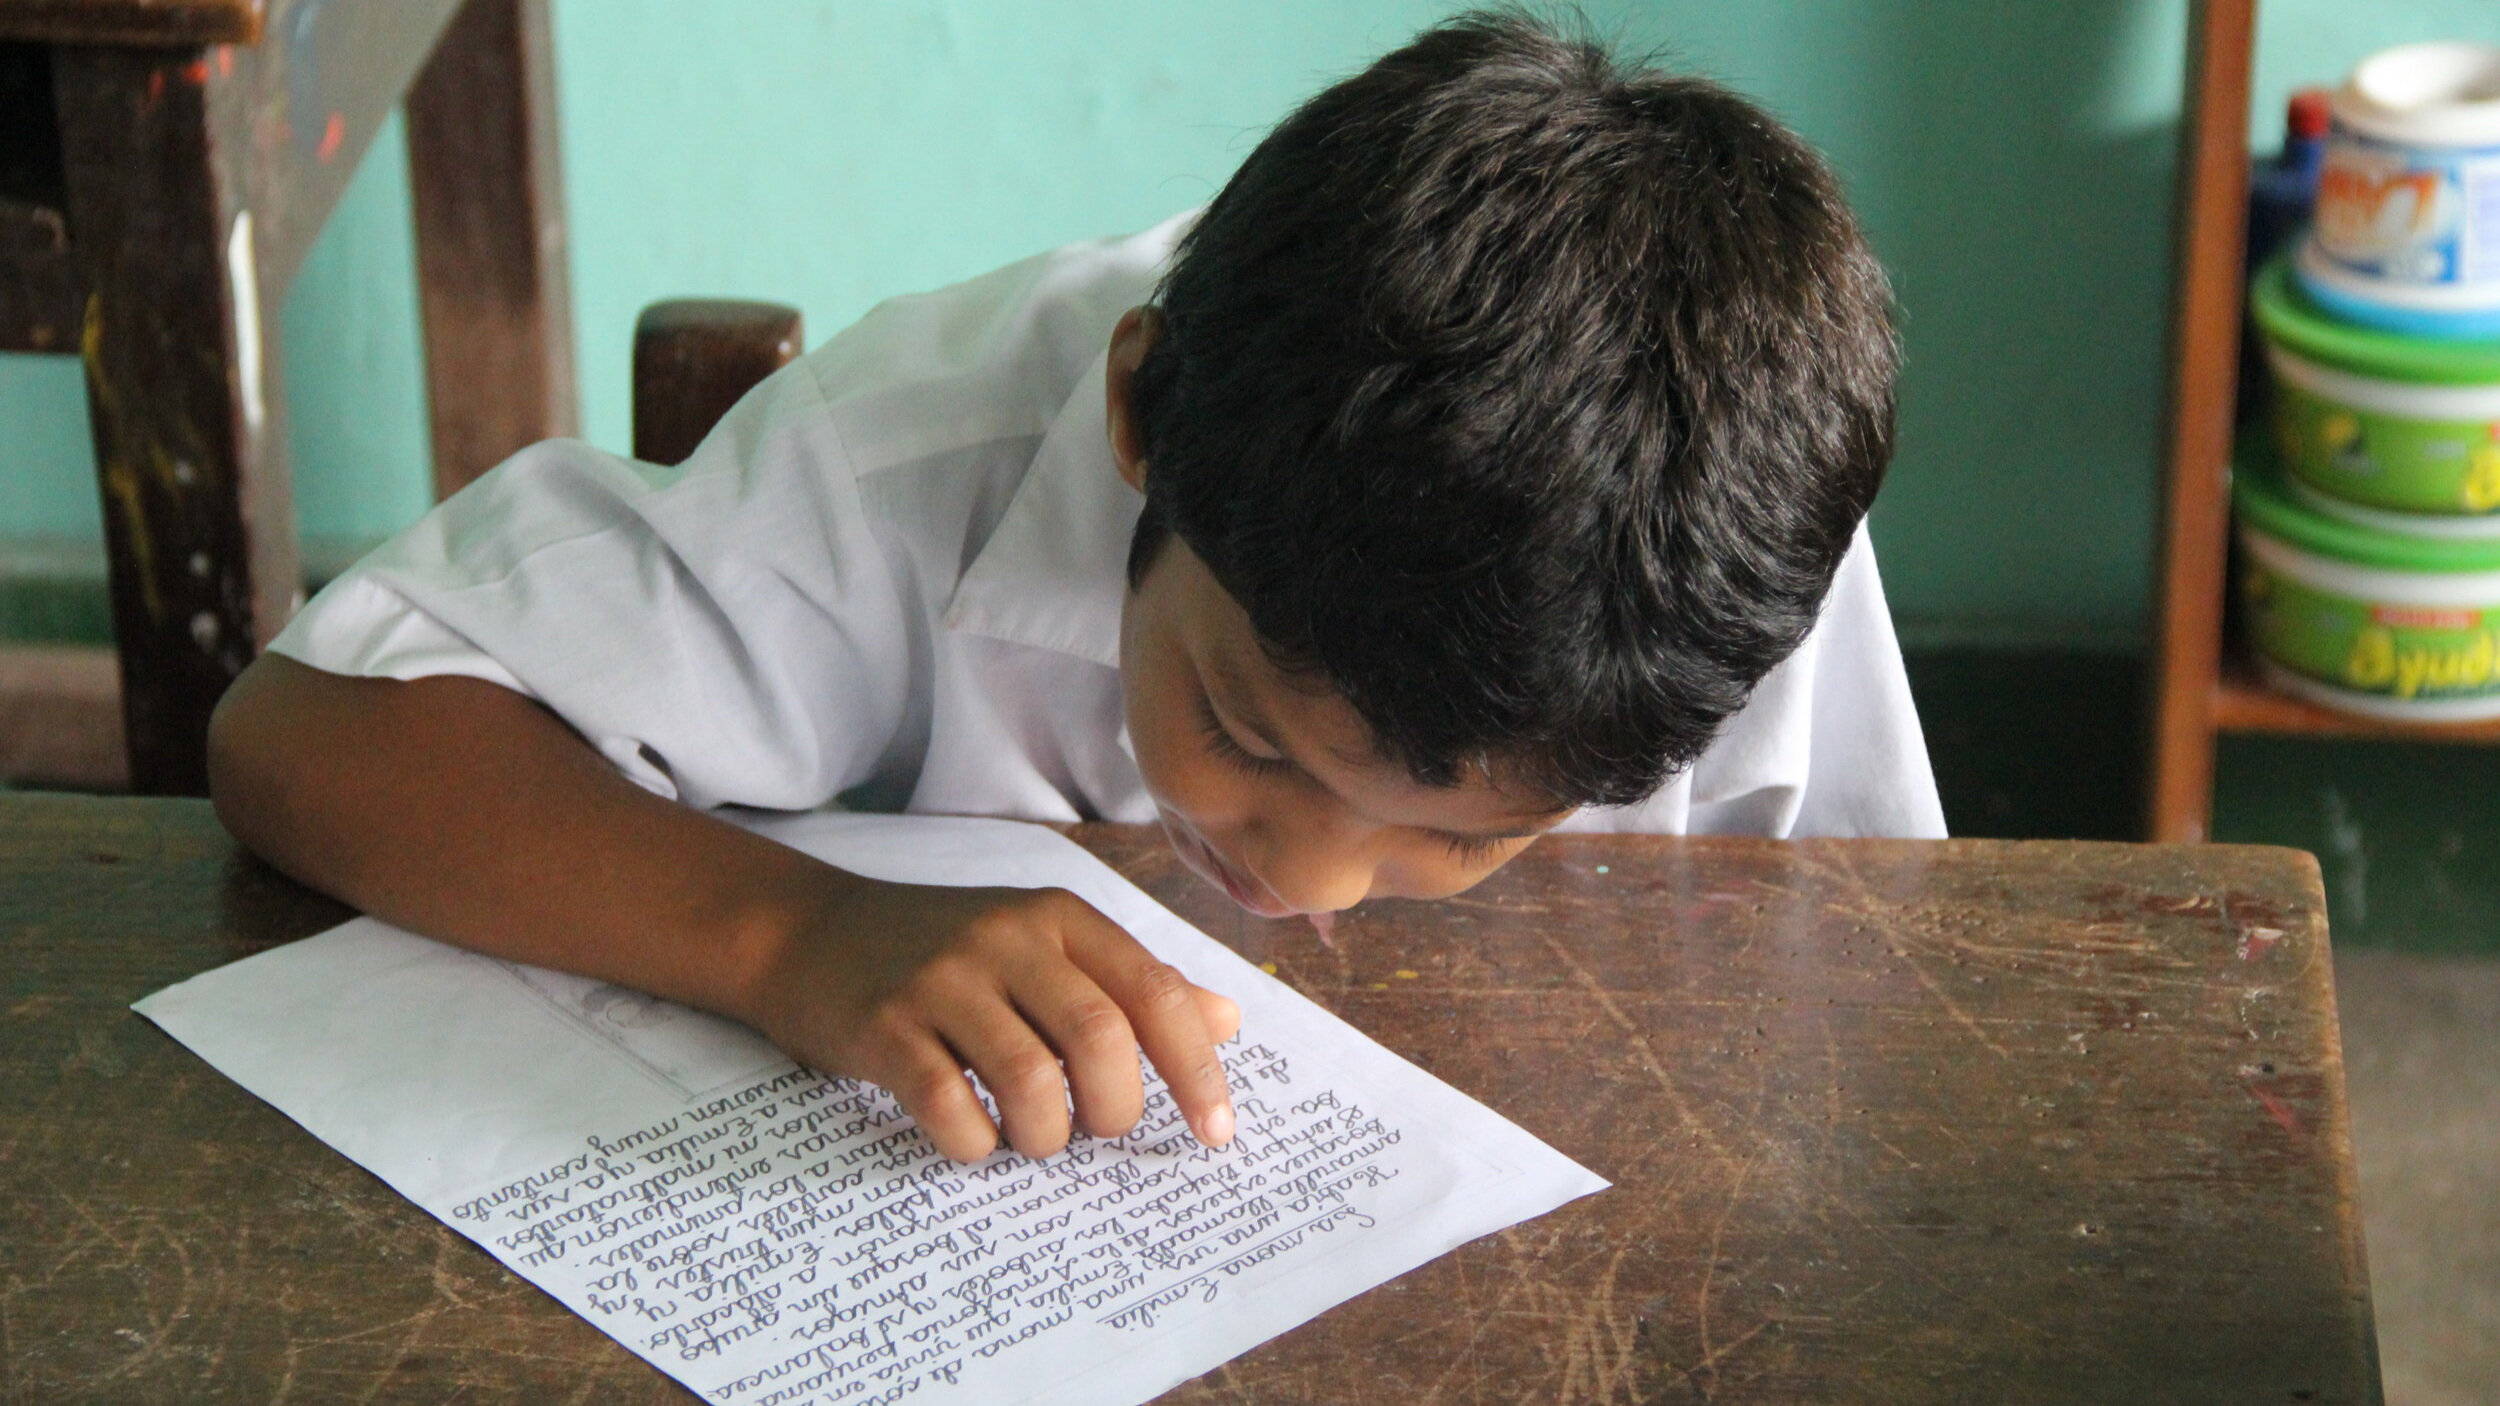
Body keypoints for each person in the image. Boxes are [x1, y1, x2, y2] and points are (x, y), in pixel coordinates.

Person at [208, 11, 1942, 1168]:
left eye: (1467, 834)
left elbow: (1888, 971)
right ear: (1133, 408)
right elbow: (306, 731)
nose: (1306, 871)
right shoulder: (911, 459)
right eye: (1245, 729)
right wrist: (790, 930)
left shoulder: (1709, 565)